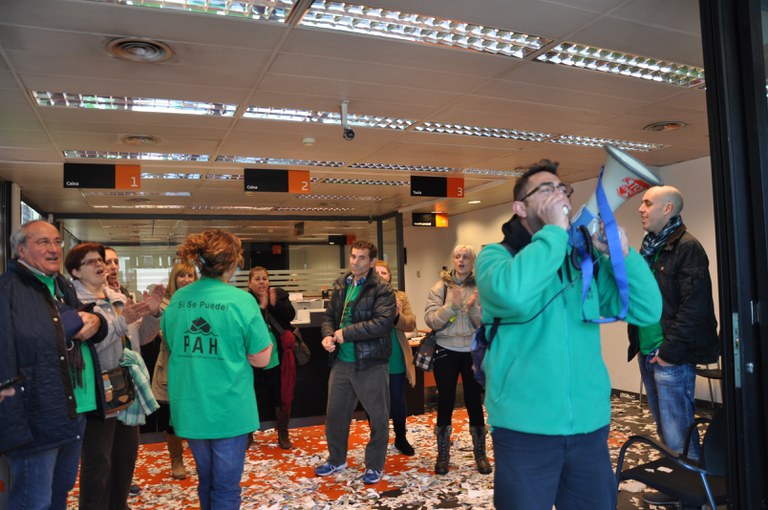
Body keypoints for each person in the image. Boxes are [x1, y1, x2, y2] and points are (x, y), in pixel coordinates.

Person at [474, 159, 663, 510]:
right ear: (520, 208)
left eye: (563, 188)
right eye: (546, 189)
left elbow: (648, 310)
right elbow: (513, 295)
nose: (559, 194)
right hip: (524, 430)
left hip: (589, 427)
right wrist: (555, 233)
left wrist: (623, 256)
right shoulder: (495, 258)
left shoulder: (583, 263)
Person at [161, 229, 273, 510]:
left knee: (206, 480)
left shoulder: (178, 299)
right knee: (225, 488)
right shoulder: (241, 301)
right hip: (228, 408)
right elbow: (262, 358)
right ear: (232, 262)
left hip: (191, 406)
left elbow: (173, 344)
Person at [0, 220, 108, 510]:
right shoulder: (7, 291)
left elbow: (77, 330)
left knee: (60, 494)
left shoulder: (61, 285)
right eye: (43, 242)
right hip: (34, 419)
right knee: (34, 502)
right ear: (21, 250)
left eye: (57, 242)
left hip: (72, 412)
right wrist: (12, 424)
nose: (54, 249)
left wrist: (97, 322)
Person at [65, 242, 164, 510]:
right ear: (75, 271)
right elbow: (87, 346)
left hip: (126, 387)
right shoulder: (73, 304)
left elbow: (139, 338)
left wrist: (153, 313)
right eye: (92, 262)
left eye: (102, 260)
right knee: (98, 463)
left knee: (125, 456)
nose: (101, 265)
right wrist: (121, 323)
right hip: (97, 391)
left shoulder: (117, 297)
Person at [629, 186, 719, 467]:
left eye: (647, 203)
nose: (640, 209)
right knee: (665, 431)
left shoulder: (687, 248)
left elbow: (694, 307)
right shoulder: (650, 248)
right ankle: (675, 480)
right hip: (648, 351)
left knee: (678, 434)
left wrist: (668, 353)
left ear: (667, 209)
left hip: (671, 356)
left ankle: (691, 488)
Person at [315, 240, 396, 485]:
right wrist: (328, 335)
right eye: (353, 256)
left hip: (370, 363)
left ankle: (374, 465)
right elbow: (329, 317)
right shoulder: (342, 284)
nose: (355, 262)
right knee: (335, 415)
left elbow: (382, 323)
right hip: (342, 362)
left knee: (378, 418)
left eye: (362, 258)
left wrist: (346, 333)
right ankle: (336, 459)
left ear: (372, 262)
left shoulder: (382, 289)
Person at [424, 244, 490, 475]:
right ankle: (443, 456)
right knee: (445, 402)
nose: (461, 261)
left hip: (472, 351)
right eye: (458, 256)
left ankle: (480, 455)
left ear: (473, 262)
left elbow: (486, 322)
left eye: (466, 257)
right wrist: (451, 306)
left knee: (474, 402)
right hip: (446, 350)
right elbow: (431, 320)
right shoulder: (439, 288)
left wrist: (472, 309)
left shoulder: (481, 287)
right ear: (453, 260)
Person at [150, 262, 198, 479]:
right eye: (182, 276)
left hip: (198, 366)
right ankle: (176, 460)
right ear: (174, 279)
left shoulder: (201, 302)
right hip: (171, 365)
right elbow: (163, 334)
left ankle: (201, 458)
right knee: (172, 416)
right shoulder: (165, 304)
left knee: (197, 413)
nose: (186, 280)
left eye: (190, 275)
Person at [248, 266, 297, 450]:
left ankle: (283, 432)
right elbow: (248, 325)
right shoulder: (245, 301)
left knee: (281, 395)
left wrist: (274, 304)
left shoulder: (278, 294)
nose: (262, 282)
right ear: (249, 283)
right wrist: (261, 307)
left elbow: (290, 315)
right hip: (252, 359)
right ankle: (247, 434)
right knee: (250, 397)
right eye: (257, 279)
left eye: (264, 278)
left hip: (279, 357)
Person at [374, 260, 418, 456]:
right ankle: (378, 440)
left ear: (389, 276)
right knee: (375, 402)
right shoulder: (363, 297)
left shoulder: (400, 296)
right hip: (372, 356)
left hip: (395, 356)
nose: (380, 276)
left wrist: (396, 316)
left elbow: (411, 324)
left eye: (383, 273)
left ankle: (401, 438)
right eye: (376, 273)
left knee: (397, 401)